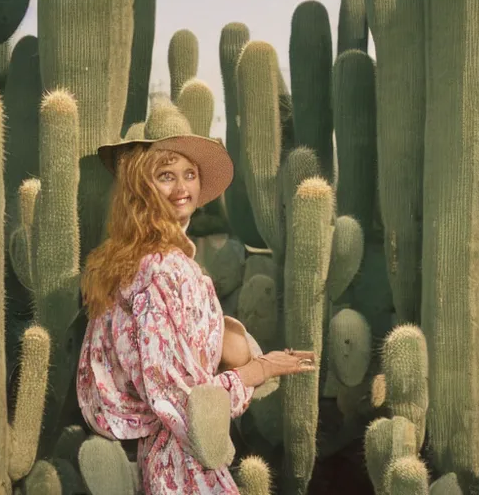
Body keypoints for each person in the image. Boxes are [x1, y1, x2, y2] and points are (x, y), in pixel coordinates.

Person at [76, 134, 314, 493]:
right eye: (166, 176)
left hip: (172, 454)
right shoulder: (159, 268)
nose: (182, 187)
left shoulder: (141, 261)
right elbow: (180, 402)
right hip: (179, 463)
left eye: (189, 174)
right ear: (142, 188)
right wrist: (259, 370)